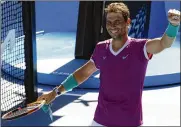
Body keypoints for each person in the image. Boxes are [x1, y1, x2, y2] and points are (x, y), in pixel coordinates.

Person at [37, 2, 180, 126]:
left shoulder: (141, 47)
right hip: (101, 120)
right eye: (109, 22)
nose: (112, 26)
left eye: (117, 21)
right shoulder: (101, 48)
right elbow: (83, 73)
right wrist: (56, 92)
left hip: (129, 122)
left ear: (128, 22)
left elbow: (164, 43)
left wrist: (173, 26)